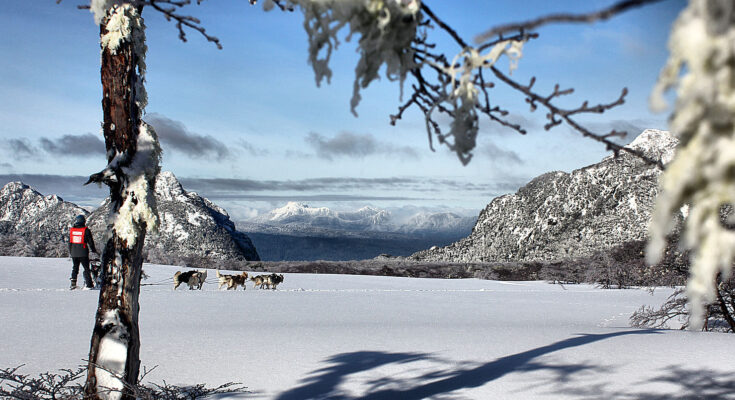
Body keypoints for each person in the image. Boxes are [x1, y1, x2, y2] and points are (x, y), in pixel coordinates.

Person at [68, 214, 97, 289]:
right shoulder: (85, 230)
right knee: (86, 268)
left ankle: (73, 283)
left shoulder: (72, 230)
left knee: (75, 268)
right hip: (83, 252)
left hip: (74, 252)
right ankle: (89, 284)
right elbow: (90, 241)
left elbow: (70, 242)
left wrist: (71, 252)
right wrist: (93, 250)